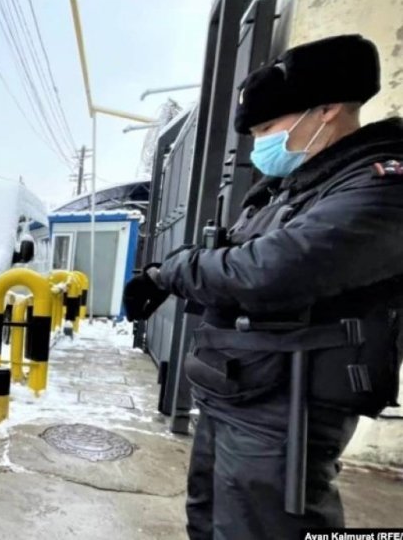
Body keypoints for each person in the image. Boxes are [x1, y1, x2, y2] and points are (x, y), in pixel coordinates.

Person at [123, 35, 403, 539]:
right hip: (237, 388)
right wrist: (167, 272)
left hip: (286, 405)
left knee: (261, 529)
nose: (259, 145)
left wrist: (173, 272)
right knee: (209, 521)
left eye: (268, 129)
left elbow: (267, 270)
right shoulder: (291, 188)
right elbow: (231, 251)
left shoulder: (382, 183)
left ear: (327, 110)